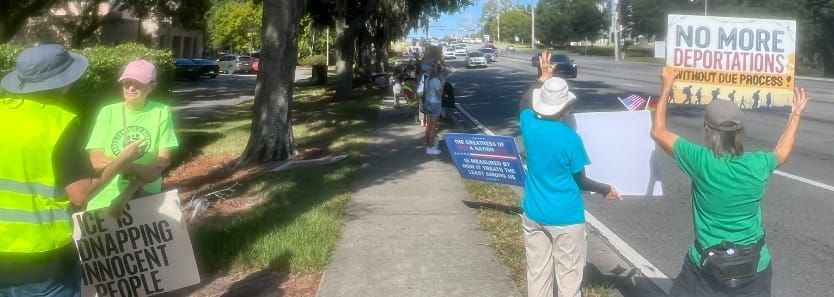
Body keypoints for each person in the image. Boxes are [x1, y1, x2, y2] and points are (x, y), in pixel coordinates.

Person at [652, 67, 809, 297]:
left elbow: (658, 131)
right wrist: (795, 115)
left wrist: (666, 85)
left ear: (707, 129)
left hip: (706, 267)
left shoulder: (701, 161)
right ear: (740, 132)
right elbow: (782, 151)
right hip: (755, 266)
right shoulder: (759, 164)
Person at [0, 44, 142, 297]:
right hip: (43, 260)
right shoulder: (59, 124)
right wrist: (122, 160)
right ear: (63, 83)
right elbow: (81, 194)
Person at [519, 51, 622, 297]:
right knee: (568, 280)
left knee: (537, 273)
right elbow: (581, 181)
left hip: (533, 212)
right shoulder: (570, 139)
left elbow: (524, 103)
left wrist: (541, 78)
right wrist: (606, 189)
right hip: (565, 217)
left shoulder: (528, 124)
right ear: (566, 109)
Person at [85, 60, 179, 215]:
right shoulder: (108, 112)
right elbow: (96, 160)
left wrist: (126, 194)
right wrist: (133, 166)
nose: (131, 87)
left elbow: (162, 160)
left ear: (152, 86)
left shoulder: (161, 112)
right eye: (126, 82)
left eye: (138, 83)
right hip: (104, 196)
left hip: (146, 197)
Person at [424, 63, 445, 155]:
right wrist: (443, 84)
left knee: (428, 126)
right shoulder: (436, 81)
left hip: (428, 102)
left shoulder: (427, 79)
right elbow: (439, 95)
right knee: (433, 127)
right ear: (439, 71)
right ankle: (431, 148)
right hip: (435, 103)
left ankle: (428, 146)